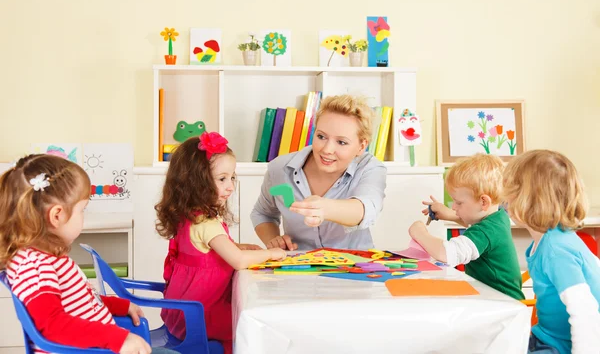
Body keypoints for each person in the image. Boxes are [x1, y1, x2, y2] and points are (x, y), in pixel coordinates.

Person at [0, 154, 168, 354]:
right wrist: (117, 338)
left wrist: (118, 305)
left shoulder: (46, 258)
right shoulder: (35, 266)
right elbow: (52, 325)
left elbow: (80, 302)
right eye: (82, 210)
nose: (83, 216)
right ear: (57, 215)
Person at [155, 132, 286, 354]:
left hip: (183, 312)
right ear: (196, 183)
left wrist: (239, 246)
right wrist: (272, 253)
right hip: (202, 315)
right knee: (257, 324)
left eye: (232, 177)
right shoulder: (206, 223)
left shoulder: (190, 216)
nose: (231, 186)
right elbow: (239, 261)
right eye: (222, 179)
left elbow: (208, 253)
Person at [251, 94, 387, 251]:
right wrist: (274, 241)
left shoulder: (370, 168)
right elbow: (262, 213)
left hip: (355, 266)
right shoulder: (280, 168)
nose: (327, 150)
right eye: (321, 136)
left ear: (361, 146)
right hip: (298, 266)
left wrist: (325, 208)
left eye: (341, 142)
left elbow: (366, 209)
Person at [503, 150, 600, 354]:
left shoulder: (556, 249)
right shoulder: (552, 240)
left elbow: (585, 311)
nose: (505, 202)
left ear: (528, 199)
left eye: (510, 194)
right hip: (546, 336)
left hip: (561, 345)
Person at [409, 153, 525, 300]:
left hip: (502, 305)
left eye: (458, 202)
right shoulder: (499, 216)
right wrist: (449, 213)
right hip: (495, 298)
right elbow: (475, 222)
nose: (454, 207)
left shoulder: (486, 232)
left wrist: (420, 233)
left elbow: (446, 254)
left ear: (483, 202)